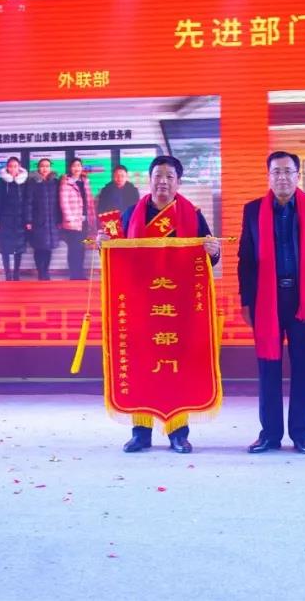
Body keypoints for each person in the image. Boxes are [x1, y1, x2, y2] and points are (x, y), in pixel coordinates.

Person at [113, 155, 221, 454]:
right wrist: (103, 246)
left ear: (178, 182)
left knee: (177, 366)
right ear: (149, 180)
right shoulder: (130, 215)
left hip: (177, 305)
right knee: (141, 364)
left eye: (169, 176)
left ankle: (178, 433)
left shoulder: (192, 216)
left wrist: (213, 251)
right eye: (158, 176)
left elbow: (208, 259)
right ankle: (141, 432)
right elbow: (117, 258)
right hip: (140, 304)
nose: (163, 181)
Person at [238, 151, 305, 455]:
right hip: (266, 300)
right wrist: (246, 300)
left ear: (298, 175)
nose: (282, 177)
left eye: (288, 171)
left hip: (304, 298)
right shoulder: (253, 210)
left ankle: (301, 434)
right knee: (268, 366)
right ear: (268, 176)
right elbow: (245, 259)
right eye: (276, 172)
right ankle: (269, 434)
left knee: (303, 366)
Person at [58, 158, 97, 280]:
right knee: (73, 249)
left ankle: (80, 274)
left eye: (79, 165)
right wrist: (69, 219)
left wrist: (92, 220)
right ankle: (74, 275)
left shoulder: (85, 181)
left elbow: (90, 202)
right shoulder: (66, 182)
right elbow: (63, 202)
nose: (77, 168)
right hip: (73, 223)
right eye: (74, 166)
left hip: (85, 222)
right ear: (70, 168)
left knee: (82, 248)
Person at [0, 156, 28, 281]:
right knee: (5, 248)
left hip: (20, 220)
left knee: (19, 248)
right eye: (10, 166)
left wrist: (28, 220)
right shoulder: (1, 181)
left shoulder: (24, 181)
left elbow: (28, 201)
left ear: (19, 167)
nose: (13, 169)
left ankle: (16, 273)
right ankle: (7, 274)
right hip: (4, 220)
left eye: (15, 166)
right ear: (7, 167)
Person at [25, 158, 61, 280]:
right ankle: (41, 271)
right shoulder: (32, 182)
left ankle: (46, 271)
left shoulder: (55, 182)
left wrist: (59, 220)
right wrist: (28, 220)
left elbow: (59, 203)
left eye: (47, 166)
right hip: (37, 220)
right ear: (38, 168)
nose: (45, 168)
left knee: (48, 248)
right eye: (42, 166)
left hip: (52, 221)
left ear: (50, 168)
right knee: (39, 247)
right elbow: (28, 202)